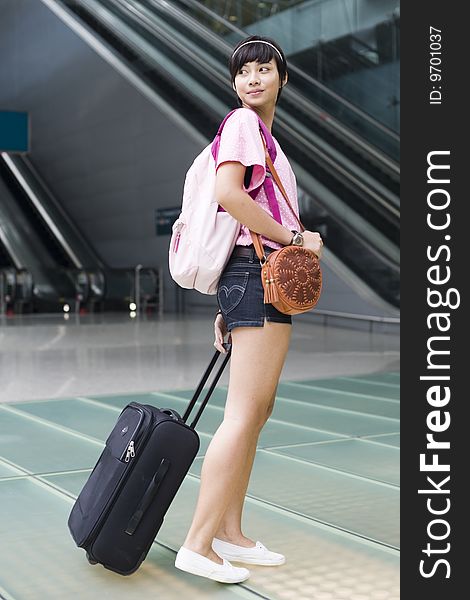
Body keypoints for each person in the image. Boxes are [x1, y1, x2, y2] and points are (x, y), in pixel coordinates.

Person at [175, 34, 323, 584]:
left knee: (257, 411)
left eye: (264, 69)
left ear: (283, 79)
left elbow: (239, 215)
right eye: (244, 72)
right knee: (243, 413)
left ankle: (228, 532)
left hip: (250, 280)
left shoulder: (263, 134)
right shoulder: (242, 123)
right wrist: (296, 238)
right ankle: (197, 542)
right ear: (235, 83)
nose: (253, 79)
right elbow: (230, 196)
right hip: (255, 276)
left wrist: (229, 301)